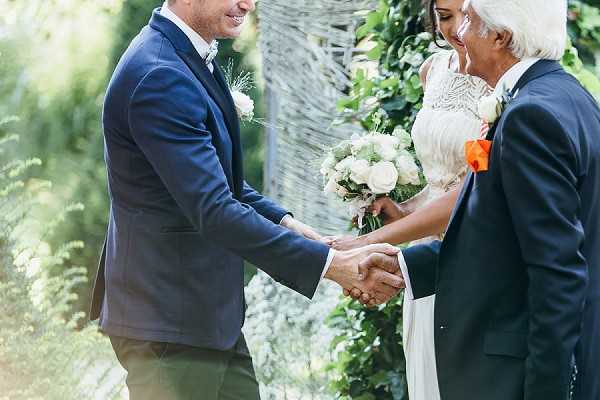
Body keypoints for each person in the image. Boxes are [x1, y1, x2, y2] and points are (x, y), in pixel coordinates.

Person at [89, 1, 404, 399]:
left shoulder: (186, 54)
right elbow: (215, 210)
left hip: (202, 320)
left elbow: (216, 180)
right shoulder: (158, 74)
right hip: (168, 324)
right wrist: (332, 265)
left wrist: (289, 224)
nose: (247, 4)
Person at [353, 0, 600, 398]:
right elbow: (499, 237)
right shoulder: (566, 96)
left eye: (468, 19)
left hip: (523, 371)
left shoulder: (528, 117)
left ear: (501, 37)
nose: (458, 35)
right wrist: (403, 264)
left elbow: (558, 273)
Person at [331, 1, 489, 398]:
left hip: (470, 250)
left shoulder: (497, 83)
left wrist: (369, 245)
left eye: (464, 15)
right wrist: (401, 211)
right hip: (421, 249)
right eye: (444, 15)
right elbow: (441, 181)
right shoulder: (431, 71)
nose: (455, 29)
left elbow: (473, 188)